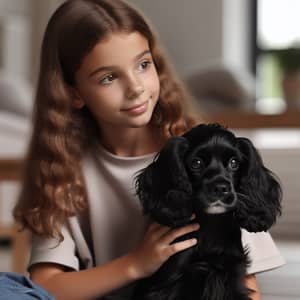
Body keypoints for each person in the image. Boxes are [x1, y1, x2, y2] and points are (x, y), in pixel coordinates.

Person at [0, 0, 284, 299]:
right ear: (73, 92)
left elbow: (244, 284)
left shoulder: (204, 155)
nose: (135, 87)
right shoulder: (63, 170)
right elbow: (46, 286)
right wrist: (136, 264)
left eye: (143, 64)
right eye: (109, 77)